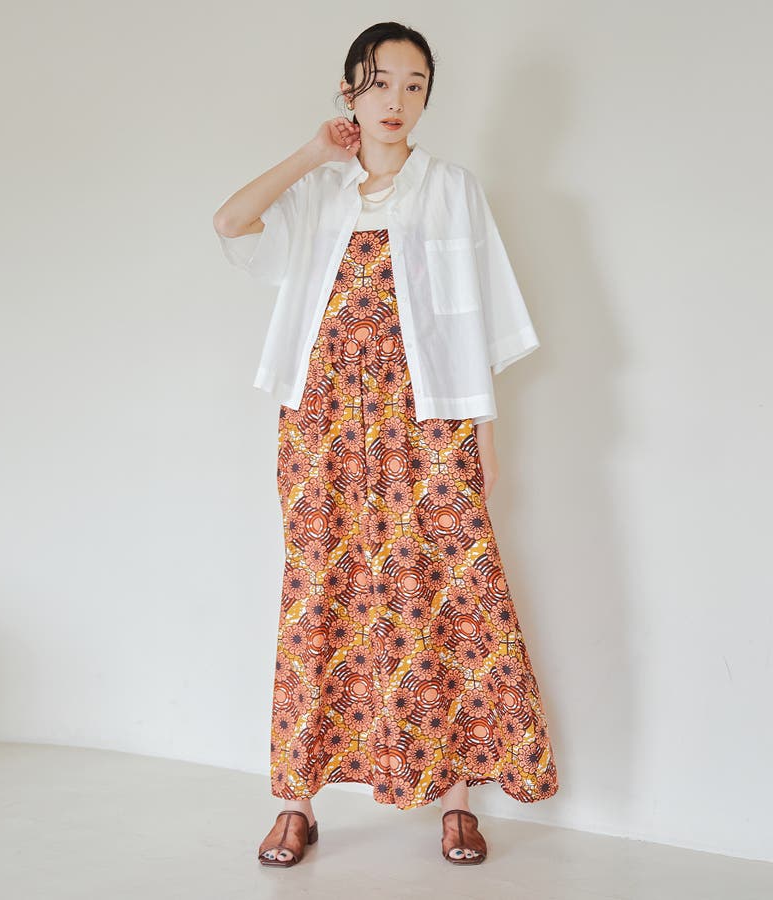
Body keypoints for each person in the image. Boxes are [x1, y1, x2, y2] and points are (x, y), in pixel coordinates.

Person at [213, 20, 559, 869]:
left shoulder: (452, 191)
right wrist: (311, 153)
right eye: (378, 83)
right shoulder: (319, 193)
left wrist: (482, 438)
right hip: (321, 424)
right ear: (349, 93)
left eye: (413, 85)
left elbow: (480, 324)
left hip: (429, 422)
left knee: (448, 591)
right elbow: (230, 221)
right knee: (318, 594)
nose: (395, 101)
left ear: (427, 98)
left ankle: (456, 801)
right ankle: (296, 802)